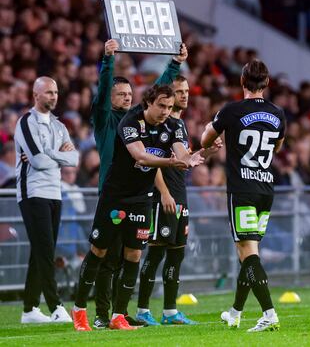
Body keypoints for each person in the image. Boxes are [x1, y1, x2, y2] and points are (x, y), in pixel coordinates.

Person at [72, 84, 206, 331]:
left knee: (134, 255)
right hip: (115, 197)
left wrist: (191, 158)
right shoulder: (130, 121)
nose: (166, 111)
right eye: (161, 106)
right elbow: (141, 157)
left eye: (169, 106)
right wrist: (172, 162)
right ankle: (79, 310)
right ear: (148, 103)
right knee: (99, 251)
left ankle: (118, 316)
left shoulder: (172, 127)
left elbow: (179, 151)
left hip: (142, 198)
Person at [91, 39, 188, 329]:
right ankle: (101, 314)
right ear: (110, 97)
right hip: (112, 195)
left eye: (129, 94)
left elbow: (158, 93)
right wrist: (108, 59)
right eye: (120, 94)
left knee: (129, 257)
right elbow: (103, 87)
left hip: (138, 195)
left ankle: (120, 314)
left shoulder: (137, 123)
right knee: (108, 259)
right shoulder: (105, 119)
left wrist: (174, 64)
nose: (125, 98)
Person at [201, 59, 286, 332]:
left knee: (247, 253)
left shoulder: (232, 111)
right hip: (265, 188)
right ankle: (235, 312)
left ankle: (269, 313)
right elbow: (277, 147)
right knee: (249, 253)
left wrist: (210, 139)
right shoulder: (278, 114)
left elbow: (206, 139)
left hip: (242, 189)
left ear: (242, 82)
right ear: (267, 82)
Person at [135, 76, 221, 325]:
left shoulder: (179, 127)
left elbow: (184, 161)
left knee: (176, 254)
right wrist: (163, 192)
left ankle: (170, 311)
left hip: (179, 195)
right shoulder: (159, 126)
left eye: (185, 91)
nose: (184, 95)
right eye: (178, 91)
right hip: (164, 197)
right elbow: (152, 162)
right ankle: (142, 310)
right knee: (155, 253)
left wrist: (205, 152)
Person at [14, 76, 79, 323]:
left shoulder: (59, 126)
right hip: (32, 192)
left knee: (42, 250)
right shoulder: (25, 122)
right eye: (48, 92)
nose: (53, 96)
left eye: (55, 92)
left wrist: (47, 154)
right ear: (36, 95)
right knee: (45, 249)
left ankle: (30, 310)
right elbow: (38, 163)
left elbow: (74, 159)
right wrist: (55, 156)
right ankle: (56, 306)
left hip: (54, 192)